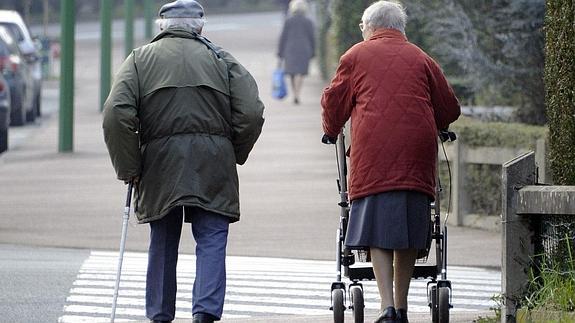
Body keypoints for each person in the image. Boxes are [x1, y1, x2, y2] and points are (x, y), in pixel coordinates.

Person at [102, 1, 265, 322]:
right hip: (214, 162)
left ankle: (160, 314)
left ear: (161, 26)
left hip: (160, 165)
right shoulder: (223, 59)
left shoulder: (139, 60)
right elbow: (251, 112)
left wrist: (130, 166)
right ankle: (204, 313)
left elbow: (115, 114)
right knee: (212, 236)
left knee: (162, 237)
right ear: (201, 26)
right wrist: (234, 151)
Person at [321, 1, 460, 322]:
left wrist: (330, 131)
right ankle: (402, 305)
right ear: (400, 28)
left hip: (372, 158)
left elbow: (333, 101)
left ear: (369, 26)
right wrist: (439, 123)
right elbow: (448, 107)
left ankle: (386, 308)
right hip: (416, 154)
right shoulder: (421, 58)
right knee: (409, 229)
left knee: (377, 229)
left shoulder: (354, 56)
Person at [277, 0, 315, 105]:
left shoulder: (288, 21)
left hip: (290, 49)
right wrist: (313, 51)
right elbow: (312, 37)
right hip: (304, 49)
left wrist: (280, 52)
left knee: (292, 73)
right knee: (300, 72)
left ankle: (295, 93)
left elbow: (283, 37)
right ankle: (297, 94)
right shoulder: (308, 21)